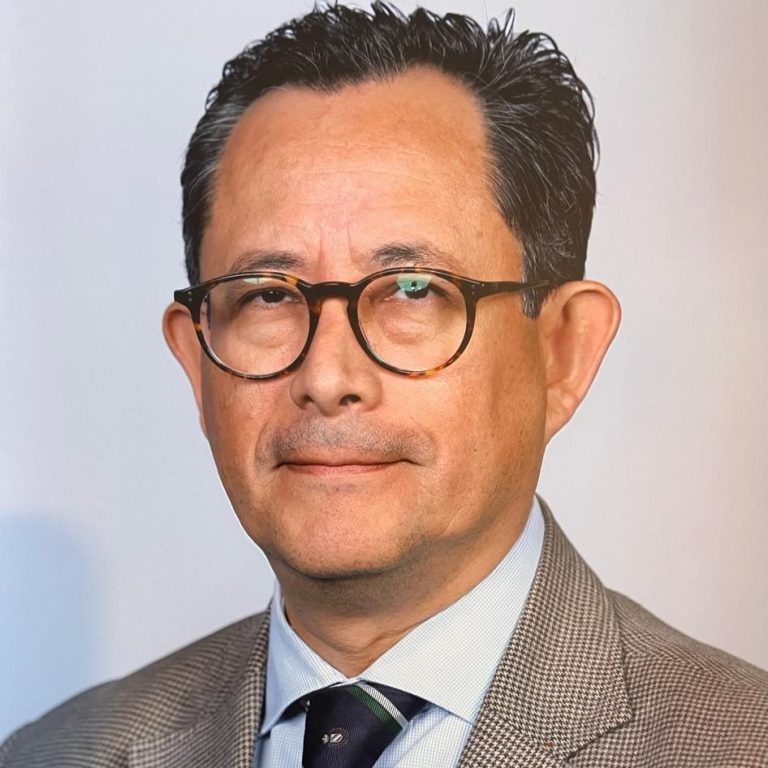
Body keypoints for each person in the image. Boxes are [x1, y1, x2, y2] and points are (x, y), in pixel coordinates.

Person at [1, 3, 765, 767]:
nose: (327, 378)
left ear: (564, 350)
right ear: (197, 361)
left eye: (412, 290)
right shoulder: (56, 754)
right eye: (267, 296)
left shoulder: (737, 742)